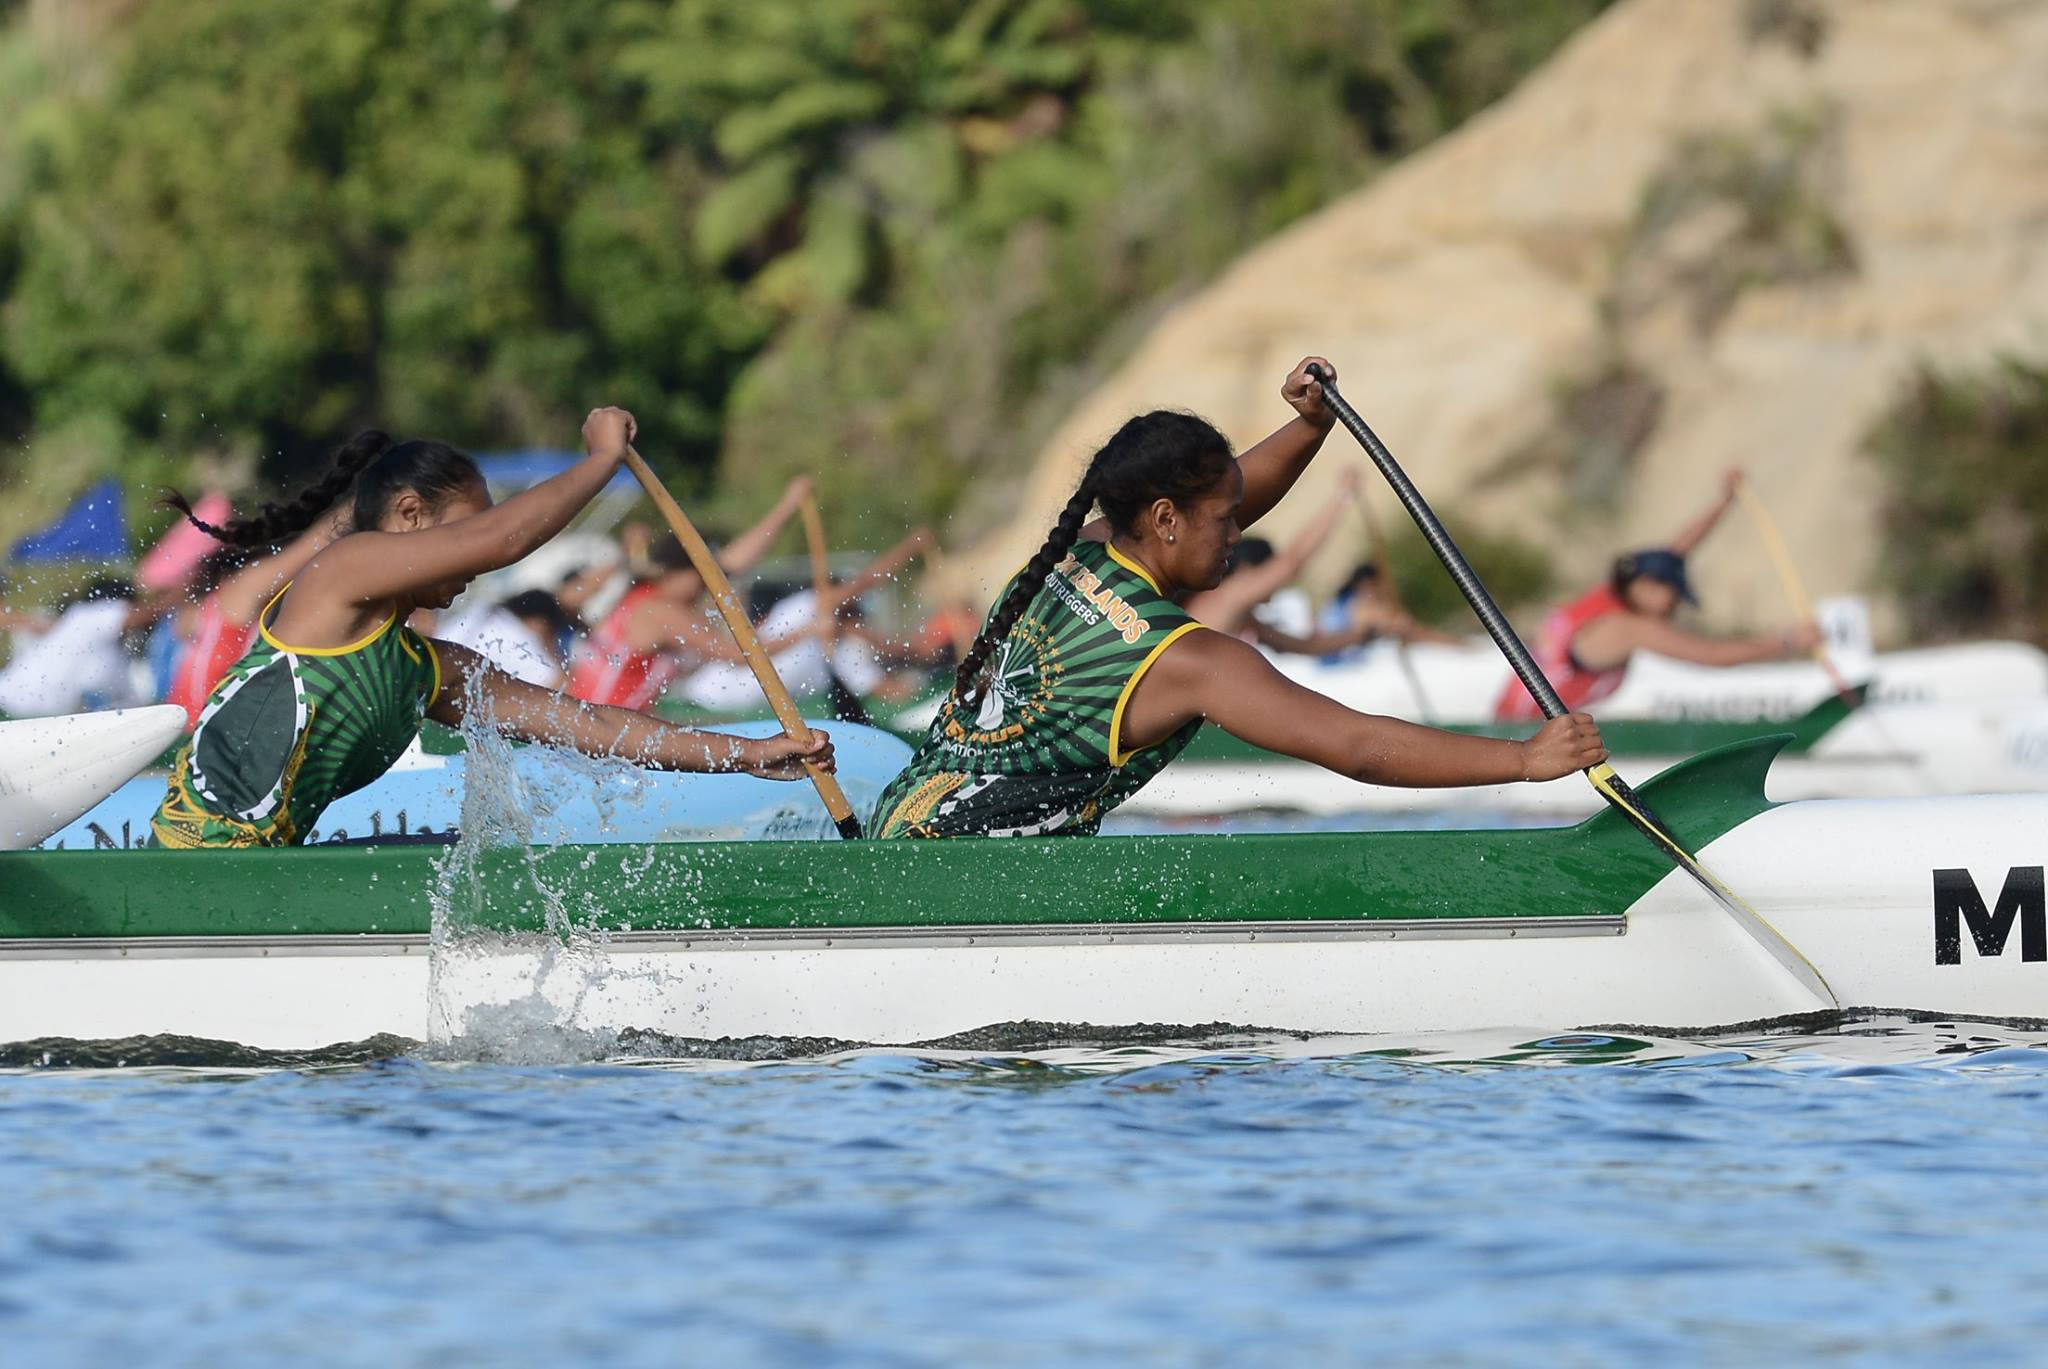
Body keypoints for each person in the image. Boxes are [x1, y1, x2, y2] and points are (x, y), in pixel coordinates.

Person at [872, 358, 1606, 838]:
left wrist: (1312, 425)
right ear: (1163, 518)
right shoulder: (1188, 660)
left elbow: (1229, 493)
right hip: (959, 883)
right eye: (1226, 521)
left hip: (897, 823)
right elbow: (1357, 748)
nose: (1238, 532)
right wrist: (1523, 761)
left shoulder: (1083, 544)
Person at [150, 409, 832, 849]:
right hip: (189, 868)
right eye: (462, 532)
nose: (471, 563)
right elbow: (502, 540)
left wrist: (747, 753)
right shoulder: (338, 574)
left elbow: (592, 726)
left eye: (476, 534)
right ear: (410, 513)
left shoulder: (433, 669)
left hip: (261, 875)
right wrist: (600, 463)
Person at [1493, 470, 1820, 722]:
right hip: (1526, 737)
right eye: (1674, 596)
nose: (1676, 606)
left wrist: (1724, 501)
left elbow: (1677, 551)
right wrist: (1788, 642)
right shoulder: (1628, 628)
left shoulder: (1609, 596)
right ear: (1647, 587)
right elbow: (1710, 655)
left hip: (1510, 725)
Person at [567, 477, 815, 710]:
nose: (707, 586)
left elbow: (730, 565)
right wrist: (808, 630)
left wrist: (788, 505)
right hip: (601, 731)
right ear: (677, 573)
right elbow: (740, 656)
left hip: (604, 722)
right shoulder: (661, 611)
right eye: (702, 578)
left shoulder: (644, 595)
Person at [677, 527, 935, 710]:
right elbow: (865, 582)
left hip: (731, 701)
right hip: (706, 693)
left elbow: (885, 687)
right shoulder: (808, 605)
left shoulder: (841, 650)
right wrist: (911, 546)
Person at [162, 513, 347, 728]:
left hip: (190, 730)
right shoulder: (240, 593)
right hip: (199, 732)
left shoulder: (210, 604)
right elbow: (316, 542)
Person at [0, 577, 162, 718]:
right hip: (9, 710)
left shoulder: (109, 651)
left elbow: (132, 704)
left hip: (28, 714)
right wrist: (181, 595)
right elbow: (145, 615)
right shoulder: (89, 616)